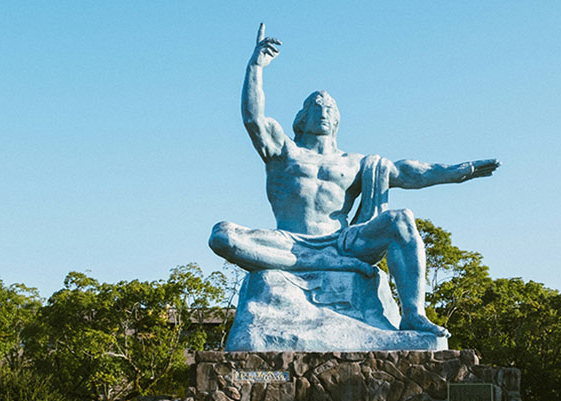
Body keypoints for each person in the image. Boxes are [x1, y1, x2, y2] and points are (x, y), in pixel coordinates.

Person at [209, 23, 500, 337]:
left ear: (337, 120)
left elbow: (410, 172)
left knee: (401, 220)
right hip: (288, 240)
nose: (324, 111)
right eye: (315, 107)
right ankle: (317, 262)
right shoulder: (283, 151)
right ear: (302, 118)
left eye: (330, 108)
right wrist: (256, 66)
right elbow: (253, 118)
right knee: (222, 236)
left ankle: (414, 315)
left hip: (343, 242)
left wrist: (458, 171)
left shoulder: (356, 163)